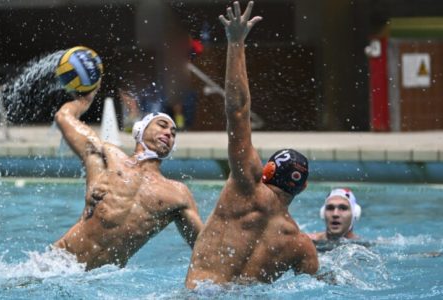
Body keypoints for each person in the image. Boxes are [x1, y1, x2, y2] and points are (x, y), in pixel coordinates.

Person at [185, 1, 318, 288]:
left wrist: (235, 43)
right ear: (303, 188)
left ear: (267, 171)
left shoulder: (245, 185)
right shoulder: (302, 246)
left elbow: (237, 111)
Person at [53, 84, 204, 270]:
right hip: (57, 265)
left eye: (173, 133)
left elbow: (205, 251)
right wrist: (84, 100)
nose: (168, 133)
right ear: (139, 130)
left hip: (99, 281)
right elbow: (63, 117)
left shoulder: (178, 195)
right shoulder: (109, 157)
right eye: (162, 125)